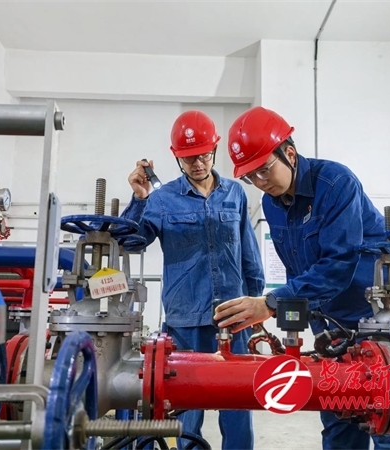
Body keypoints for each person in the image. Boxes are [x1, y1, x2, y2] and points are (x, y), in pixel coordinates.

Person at [214, 106, 390, 450]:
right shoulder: (272, 204)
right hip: (334, 329)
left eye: (264, 170)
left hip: (380, 324)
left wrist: (270, 303)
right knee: (340, 429)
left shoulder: (336, 183)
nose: (261, 182)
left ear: (290, 154)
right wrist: (312, 327)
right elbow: (297, 270)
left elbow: (339, 264)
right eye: (250, 177)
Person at [121, 110, 265, 450]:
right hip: (185, 319)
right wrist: (139, 199)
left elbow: (249, 253)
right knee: (187, 406)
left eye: (203, 154)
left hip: (234, 315)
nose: (198, 163)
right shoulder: (161, 198)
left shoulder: (235, 193)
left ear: (214, 150)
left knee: (238, 403)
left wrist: (258, 305)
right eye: (189, 158)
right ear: (177, 157)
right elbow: (132, 242)